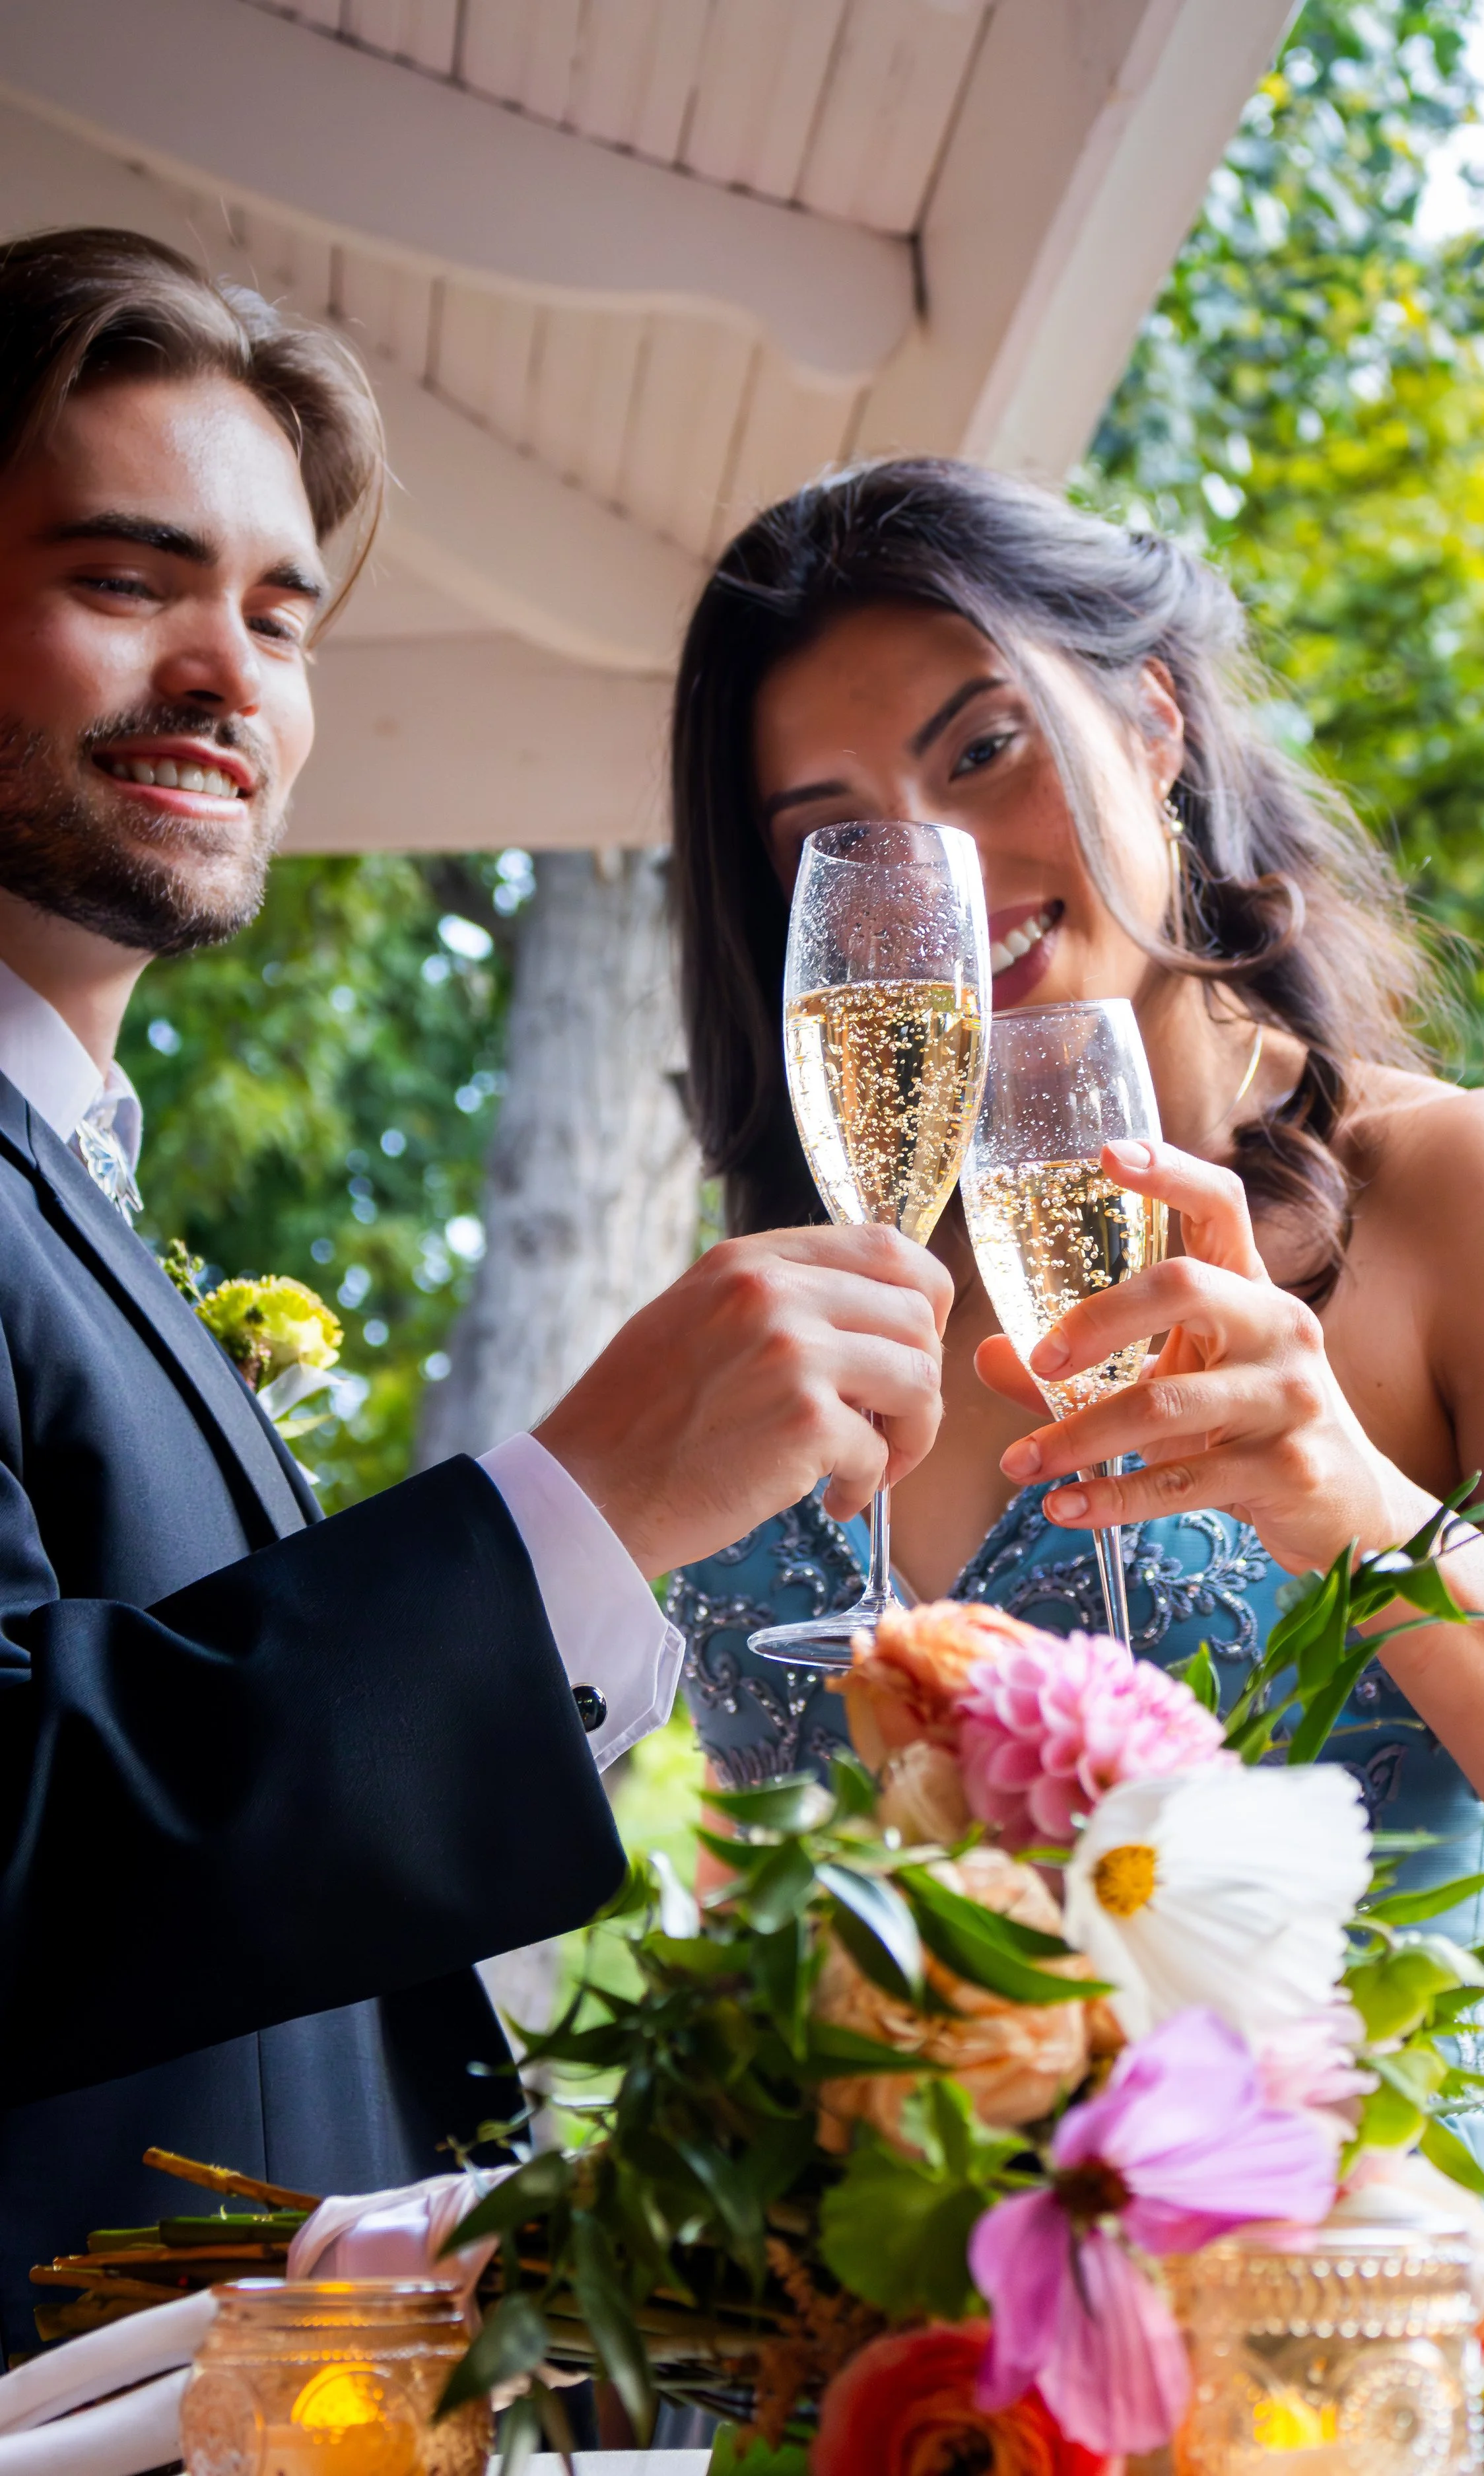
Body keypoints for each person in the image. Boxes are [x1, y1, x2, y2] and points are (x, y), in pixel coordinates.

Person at [0, 230, 953, 2355]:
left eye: (278, 613)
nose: (231, 676)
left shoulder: (68, 1174)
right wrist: (577, 1501)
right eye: (129, 581)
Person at [667, 458, 1484, 2173]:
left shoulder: (1478, 1194)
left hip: (1326, 2361)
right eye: (841, 836)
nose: (942, 871)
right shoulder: (828, 1303)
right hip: (850, 2394)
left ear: (1151, 723)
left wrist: (1361, 1513)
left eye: (985, 749)